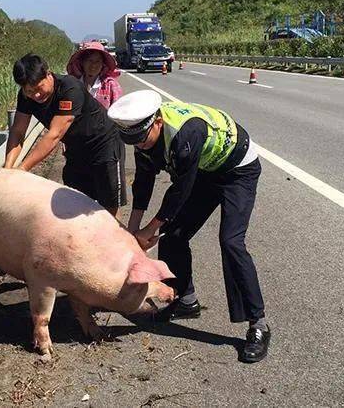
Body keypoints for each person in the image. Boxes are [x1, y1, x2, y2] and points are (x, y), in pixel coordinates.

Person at [107, 90, 271, 363]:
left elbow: (180, 190)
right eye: (133, 142)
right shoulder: (143, 138)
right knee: (173, 237)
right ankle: (184, 299)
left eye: (142, 140)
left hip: (237, 169)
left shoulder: (186, 133)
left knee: (231, 241)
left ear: (157, 122)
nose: (140, 146)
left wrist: (150, 230)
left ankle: (258, 324)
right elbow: (144, 184)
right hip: (207, 170)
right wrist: (131, 232)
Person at [4, 53, 126, 216]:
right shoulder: (26, 97)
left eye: (39, 88)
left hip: (104, 144)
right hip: (76, 148)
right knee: (76, 199)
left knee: (109, 202)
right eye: (29, 91)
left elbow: (54, 134)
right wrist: (7, 169)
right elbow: (18, 131)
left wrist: (22, 169)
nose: (36, 95)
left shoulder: (70, 88)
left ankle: (114, 238)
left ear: (48, 74)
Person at [66, 41, 123, 109]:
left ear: (103, 64)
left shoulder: (111, 85)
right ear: (82, 62)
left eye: (98, 61)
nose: (93, 65)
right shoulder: (72, 85)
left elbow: (119, 110)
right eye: (90, 60)